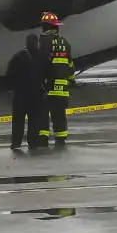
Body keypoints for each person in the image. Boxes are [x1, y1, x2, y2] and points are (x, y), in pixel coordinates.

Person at [5, 33, 50, 150]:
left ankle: (16, 142)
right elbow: (48, 74)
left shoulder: (18, 57)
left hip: (20, 94)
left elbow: (10, 74)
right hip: (36, 94)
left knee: (18, 120)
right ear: (37, 43)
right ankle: (33, 141)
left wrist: (11, 87)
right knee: (34, 119)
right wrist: (46, 89)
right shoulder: (42, 57)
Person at [40, 11, 74, 145]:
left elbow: (42, 63)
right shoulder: (65, 42)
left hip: (48, 86)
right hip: (62, 87)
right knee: (59, 114)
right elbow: (70, 65)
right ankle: (61, 137)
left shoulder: (44, 42)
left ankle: (43, 138)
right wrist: (71, 79)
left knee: (43, 112)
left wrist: (38, 80)